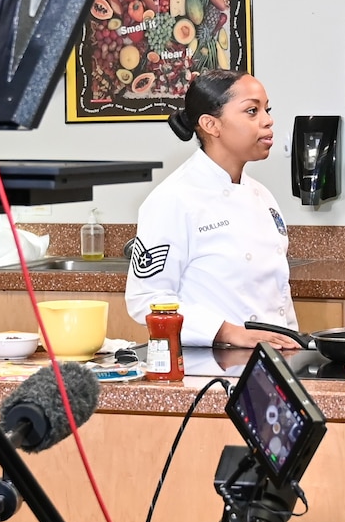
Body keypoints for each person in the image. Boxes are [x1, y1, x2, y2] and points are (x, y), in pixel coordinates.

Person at [125, 69, 301, 349]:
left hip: (276, 358)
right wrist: (227, 332)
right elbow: (145, 300)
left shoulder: (262, 195)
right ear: (211, 125)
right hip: (212, 366)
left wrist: (294, 345)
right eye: (252, 111)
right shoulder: (173, 199)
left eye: (266, 110)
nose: (268, 121)